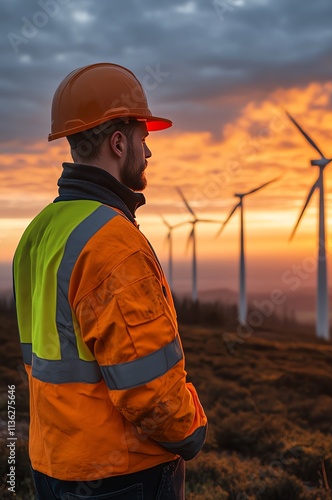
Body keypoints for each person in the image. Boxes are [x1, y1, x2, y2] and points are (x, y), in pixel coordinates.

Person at [13, 62, 207, 500]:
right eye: (144, 139)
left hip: (52, 464)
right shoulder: (115, 244)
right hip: (123, 474)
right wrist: (192, 428)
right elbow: (151, 392)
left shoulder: (39, 231)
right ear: (118, 144)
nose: (149, 152)